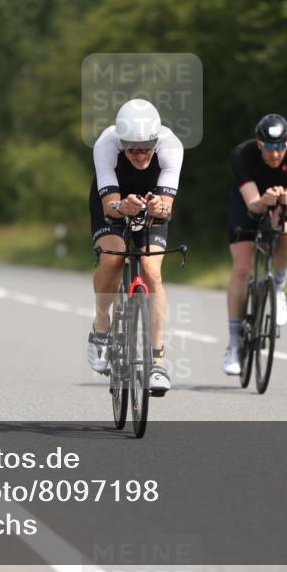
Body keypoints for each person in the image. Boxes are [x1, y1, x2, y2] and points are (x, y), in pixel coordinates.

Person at [86, 99, 184, 394]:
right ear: (121, 142)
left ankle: (157, 362)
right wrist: (122, 205)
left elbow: (167, 208)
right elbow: (108, 206)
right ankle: (101, 326)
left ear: (156, 141)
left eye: (146, 148)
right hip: (114, 204)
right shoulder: (106, 143)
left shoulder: (171, 146)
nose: (140, 155)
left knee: (152, 272)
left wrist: (159, 207)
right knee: (113, 260)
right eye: (132, 149)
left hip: (152, 207)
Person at [222, 114, 287, 376]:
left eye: (281, 147)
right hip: (248, 202)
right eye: (270, 147)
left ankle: (278, 285)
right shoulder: (243, 155)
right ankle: (233, 343)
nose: (276, 154)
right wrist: (264, 202)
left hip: (282, 203)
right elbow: (252, 204)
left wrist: (284, 206)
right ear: (259, 143)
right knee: (242, 269)